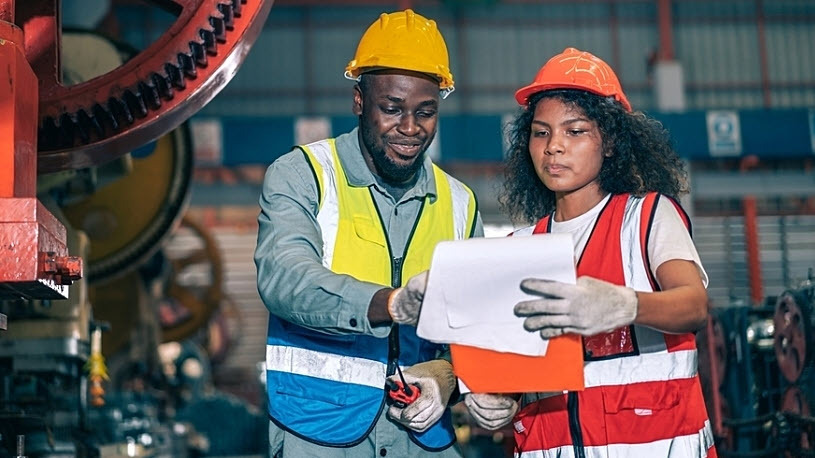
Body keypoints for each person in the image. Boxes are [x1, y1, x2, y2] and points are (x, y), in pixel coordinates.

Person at [463, 48, 717, 457]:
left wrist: (624, 304)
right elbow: (510, 368)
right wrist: (498, 400)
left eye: (575, 131)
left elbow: (693, 306)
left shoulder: (648, 216)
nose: (554, 147)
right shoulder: (518, 249)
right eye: (541, 133)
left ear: (611, 140)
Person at [253, 9, 482, 458]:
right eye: (391, 108)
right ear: (359, 101)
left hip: (422, 436)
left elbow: (474, 328)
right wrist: (390, 303)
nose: (410, 128)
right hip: (318, 432)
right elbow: (284, 277)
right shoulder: (304, 175)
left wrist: (449, 378)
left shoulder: (461, 203)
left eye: (426, 112)